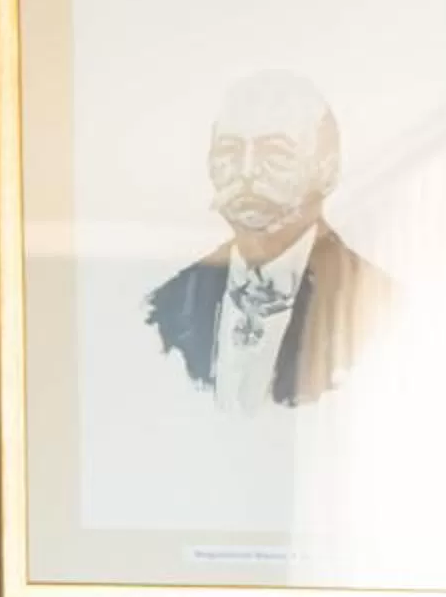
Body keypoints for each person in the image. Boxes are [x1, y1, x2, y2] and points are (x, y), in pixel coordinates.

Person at [144, 70, 395, 409]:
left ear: (328, 170)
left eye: (274, 154)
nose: (247, 172)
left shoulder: (380, 308)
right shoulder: (167, 306)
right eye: (230, 152)